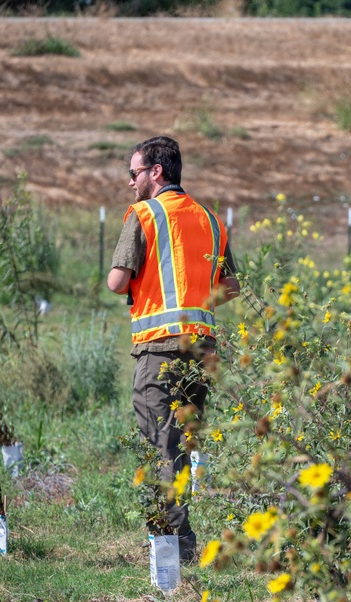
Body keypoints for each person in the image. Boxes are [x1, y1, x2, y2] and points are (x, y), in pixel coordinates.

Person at [108, 136, 240, 563]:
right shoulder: (211, 219)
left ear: (156, 172)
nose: (131, 183)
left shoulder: (144, 215)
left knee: (159, 446)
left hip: (159, 351)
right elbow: (232, 286)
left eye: (134, 174)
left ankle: (174, 550)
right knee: (181, 447)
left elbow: (115, 282)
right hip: (202, 352)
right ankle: (172, 544)